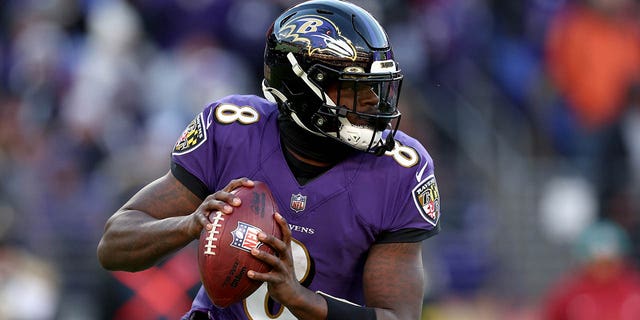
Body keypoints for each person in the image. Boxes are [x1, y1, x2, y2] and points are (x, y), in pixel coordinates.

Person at [97, 0, 441, 319]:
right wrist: (188, 225)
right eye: (352, 88)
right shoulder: (231, 132)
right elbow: (113, 245)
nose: (372, 102)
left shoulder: (400, 169)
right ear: (301, 88)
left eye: (376, 87)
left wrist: (303, 300)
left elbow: (398, 315)